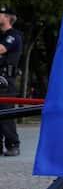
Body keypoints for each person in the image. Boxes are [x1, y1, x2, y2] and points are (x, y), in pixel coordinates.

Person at [0, 8, 24, 156]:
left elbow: (1, 49)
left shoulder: (13, 36)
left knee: (6, 113)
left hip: (6, 80)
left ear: (7, 17)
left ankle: (13, 144)